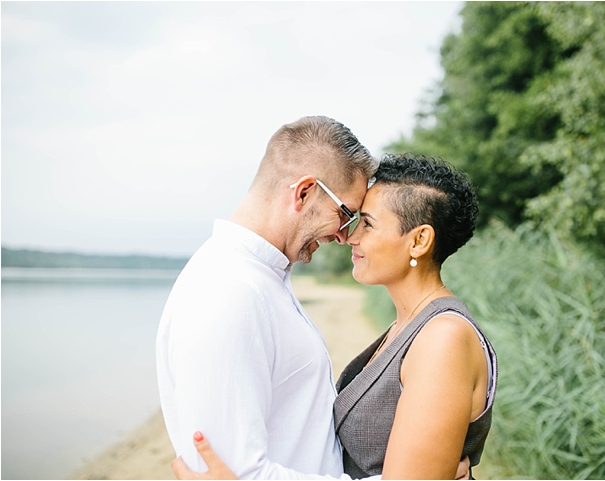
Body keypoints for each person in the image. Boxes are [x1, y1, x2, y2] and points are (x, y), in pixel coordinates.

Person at [171, 154, 498, 479]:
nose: (350, 236)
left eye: (367, 224)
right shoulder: (407, 327)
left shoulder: (443, 339)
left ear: (419, 241)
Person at [156, 115, 377, 479]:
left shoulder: (262, 277)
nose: (344, 235)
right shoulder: (229, 291)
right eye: (346, 214)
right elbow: (238, 473)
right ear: (303, 192)